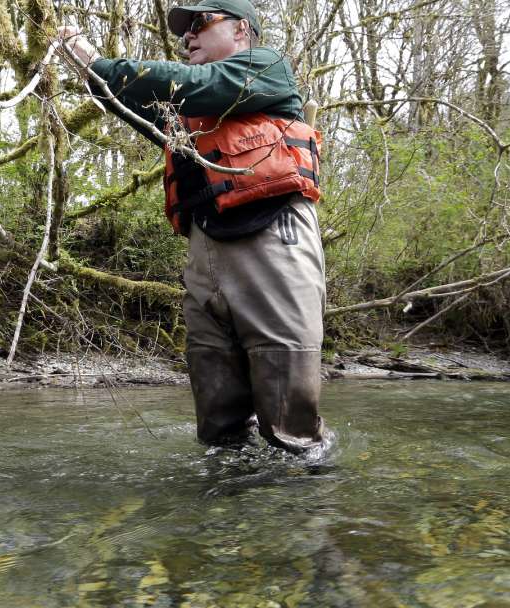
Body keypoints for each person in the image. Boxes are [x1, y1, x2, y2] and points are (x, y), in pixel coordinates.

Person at [59, 0, 330, 459]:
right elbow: (127, 100)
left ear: (242, 30)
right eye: (185, 30)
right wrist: (84, 65)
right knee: (218, 420)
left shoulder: (269, 67)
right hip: (206, 256)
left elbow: (195, 85)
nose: (188, 37)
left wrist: (96, 58)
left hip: (274, 239)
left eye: (201, 23)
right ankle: (223, 509)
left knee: (289, 423)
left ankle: (299, 506)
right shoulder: (183, 117)